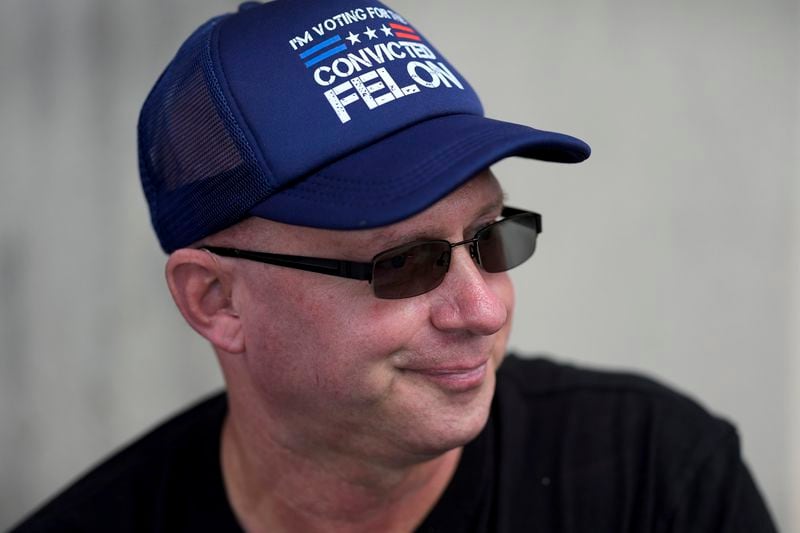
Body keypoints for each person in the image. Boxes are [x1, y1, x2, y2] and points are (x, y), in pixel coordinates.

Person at [13, 0, 777, 531]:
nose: (481, 311)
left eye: (490, 237)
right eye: (403, 264)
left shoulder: (655, 480)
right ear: (216, 299)